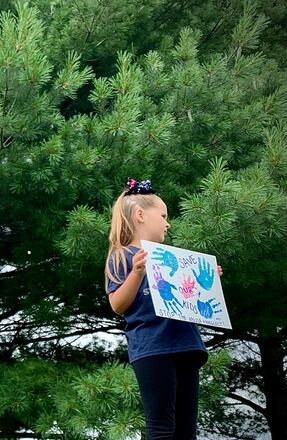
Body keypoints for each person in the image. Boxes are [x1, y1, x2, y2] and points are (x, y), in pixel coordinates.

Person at [105, 178, 222, 439]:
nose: (168, 223)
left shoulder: (172, 260)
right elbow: (117, 304)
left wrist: (208, 283)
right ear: (140, 215)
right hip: (152, 348)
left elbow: (190, 299)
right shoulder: (122, 255)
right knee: (160, 428)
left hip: (187, 344)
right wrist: (136, 272)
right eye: (163, 215)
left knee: (186, 431)